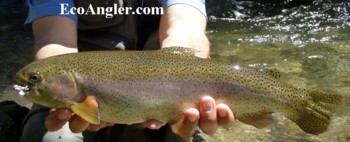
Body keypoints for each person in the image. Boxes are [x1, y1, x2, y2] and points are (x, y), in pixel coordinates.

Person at [20, 0, 235, 141]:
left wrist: (190, 79)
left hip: (167, 93)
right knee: (54, 137)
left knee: (186, 128)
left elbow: (185, 28)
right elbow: (54, 39)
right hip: (85, 92)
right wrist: (62, 94)